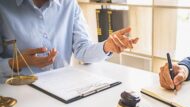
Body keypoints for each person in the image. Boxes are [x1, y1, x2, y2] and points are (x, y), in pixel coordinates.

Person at [0, 0, 138, 76]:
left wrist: (106, 46)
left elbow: (82, 50)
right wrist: (18, 63)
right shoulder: (3, 7)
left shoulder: (70, 4)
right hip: (17, 96)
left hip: (63, 91)